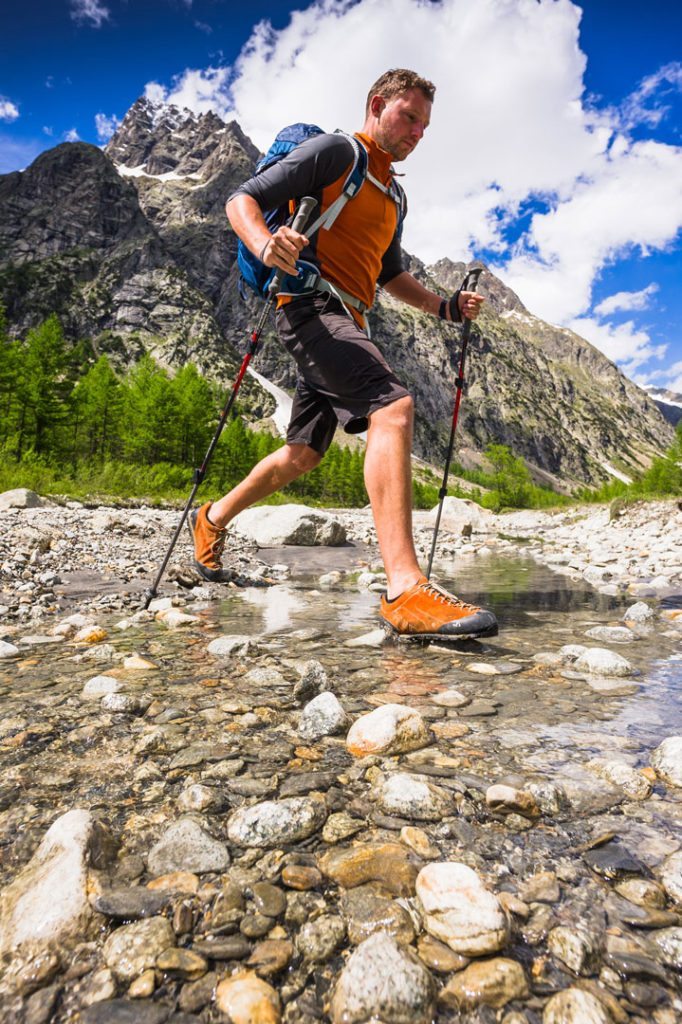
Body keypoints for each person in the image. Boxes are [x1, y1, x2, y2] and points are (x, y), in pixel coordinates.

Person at [189, 68, 498, 640]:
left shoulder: (394, 193)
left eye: (425, 126)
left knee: (304, 453)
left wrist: (447, 308)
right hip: (309, 303)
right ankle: (405, 589)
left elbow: (390, 275)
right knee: (392, 407)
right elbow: (243, 200)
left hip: (350, 315)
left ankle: (210, 520)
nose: (418, 133)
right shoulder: (337, 153)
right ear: (378, 104)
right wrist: (267, 243)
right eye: (409, 117)